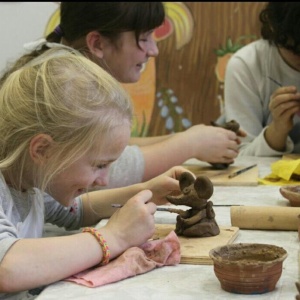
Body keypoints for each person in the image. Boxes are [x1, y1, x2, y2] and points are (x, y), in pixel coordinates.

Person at [0, 49, 191, 299]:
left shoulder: (31, 177)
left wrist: (148, 192)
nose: (104, 180)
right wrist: (114, 236)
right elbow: (9, 268)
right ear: (43, 149)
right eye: (99, 165)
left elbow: (76, 211)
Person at [0, 2, 244, 189]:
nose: (154, 50)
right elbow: (104, 171)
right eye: (145, 38)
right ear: (97, 43)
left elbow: (109, 150)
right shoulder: (67, 84)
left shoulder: (65, 68)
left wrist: (192, 137)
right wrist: (192, 143)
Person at [223, 2, 300, 156]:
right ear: (274, 29)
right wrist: (277, 130)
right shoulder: (247, 65)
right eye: (296, 50)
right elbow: (240, 158)